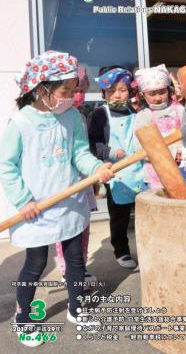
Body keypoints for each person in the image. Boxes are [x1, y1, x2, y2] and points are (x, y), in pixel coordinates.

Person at [0, 51, 113, 347]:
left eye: (74, 90)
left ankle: (76, 309)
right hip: (35, 210)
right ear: (42, 89)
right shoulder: (21, 122)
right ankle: (23, 317)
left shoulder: (72, 116)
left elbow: (79, 154)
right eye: (65, 91)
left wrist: (96, 169)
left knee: (75, 260)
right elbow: (6, 166)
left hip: (69, 203)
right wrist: (24, 200)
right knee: (35, 265)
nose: (71, 97)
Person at [88, 66, 144, 269]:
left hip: (138, 169)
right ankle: (121, 251)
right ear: (103, 93)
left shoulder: (134, 112)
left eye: (122, 89)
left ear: (130, 91)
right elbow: (93, 144)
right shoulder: (99, 115)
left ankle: (146, 250)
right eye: (111, 91)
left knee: (143, 214)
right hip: (116, 172)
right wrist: (110, 152)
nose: (117, 94)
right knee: (119, 216)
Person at [55, 66, 98, 284]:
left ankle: (80, 267)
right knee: (64, 227)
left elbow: (83, 151)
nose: (77, 94)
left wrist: (94, 171)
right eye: (72, 90)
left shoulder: (79, 116)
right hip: (62, 183)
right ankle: (66, 268)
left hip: (82, 179)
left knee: (83, 225)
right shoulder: (53, 117)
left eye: (80, 89)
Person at [134, 64, 185, 188]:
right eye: (152, 94)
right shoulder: (143, 116)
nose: (157, 98)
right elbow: (139, 146)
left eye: (162, 92)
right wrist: (164, 157)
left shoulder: (179, 110)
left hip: (180, 168)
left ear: (169, 90)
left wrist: (182, 152)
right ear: (143, 95)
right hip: (154, 171)